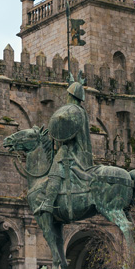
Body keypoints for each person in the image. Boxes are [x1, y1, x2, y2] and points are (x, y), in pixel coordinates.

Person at [35, 75, 93, 218]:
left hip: (73, 153)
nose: (66, 97)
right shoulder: (80, 111)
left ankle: (48, 203)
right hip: (82, 152)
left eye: (68, 94)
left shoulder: (74, 111)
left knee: (55, 169)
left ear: (72, 96)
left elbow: (67, 134)